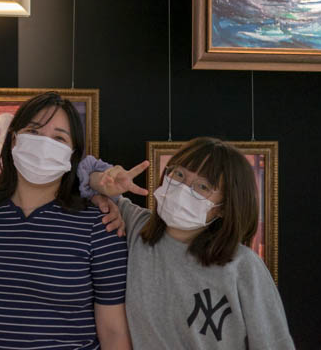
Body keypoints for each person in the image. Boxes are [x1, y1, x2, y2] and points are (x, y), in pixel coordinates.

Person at [0, 92, 132, 350]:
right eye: (33, 131)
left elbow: (114, 333)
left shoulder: (100, 224)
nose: (44, 144)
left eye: (59, 138)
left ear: (72, 154)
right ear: (13, 140)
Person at [83, 137, 295, 349]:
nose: (182, 188)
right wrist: (101, 181)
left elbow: (275, 344)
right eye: (179, 175)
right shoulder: (136, 225)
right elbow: (82, 173)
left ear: (223, 207)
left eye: (202, 186)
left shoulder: (243, 266)